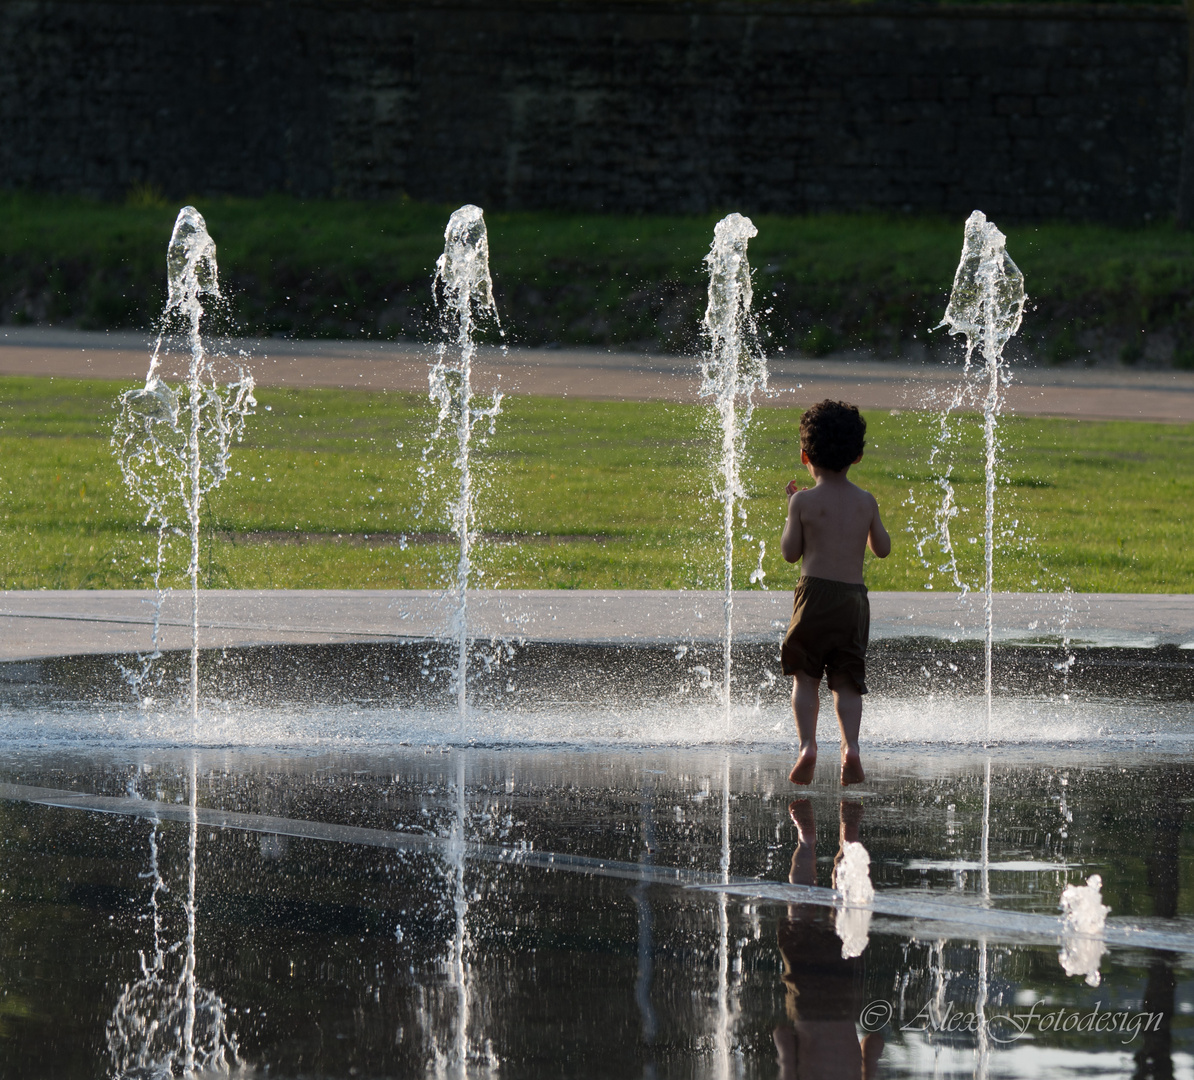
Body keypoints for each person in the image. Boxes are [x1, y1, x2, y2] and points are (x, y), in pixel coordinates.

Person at [780, 400, 890, 786]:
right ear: (857, 456)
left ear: (805, 455)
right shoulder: (866, 501)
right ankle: (851, 748)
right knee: (847, 681)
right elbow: (883, 548)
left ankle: (808, 746)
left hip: (813, 599)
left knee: (805, 677)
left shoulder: (803, 502)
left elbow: (790, 553)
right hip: (853, 602)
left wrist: (792, 508)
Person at [773, 799, 884, 1080]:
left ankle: (850, 836)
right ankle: (806, 840)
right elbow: (783, 1037)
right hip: (805, 999)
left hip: (844, 996)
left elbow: (874, 1043)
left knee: (845, 906)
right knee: (799, 909)